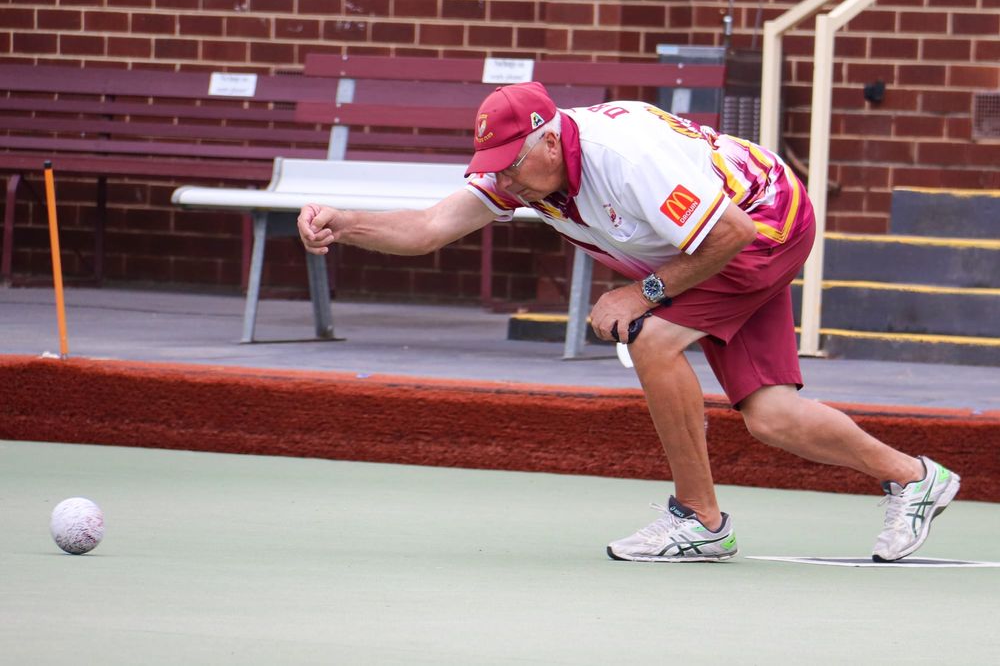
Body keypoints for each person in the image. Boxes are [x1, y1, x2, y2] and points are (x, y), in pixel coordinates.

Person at [297, 81, 961, 563]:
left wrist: (643, 293)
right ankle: (915, 478)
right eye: (495, 169)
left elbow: (729, 233)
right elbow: (429, 226)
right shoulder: (526, 170)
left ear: (549, 139)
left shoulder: (627, 158)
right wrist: (344, 223)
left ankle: (699, 520)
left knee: (651, 338)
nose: (506, 183)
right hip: (710, 240)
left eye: (512, 166)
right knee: (772, 416)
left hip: (762, 222)